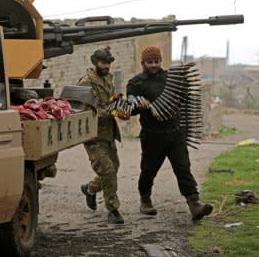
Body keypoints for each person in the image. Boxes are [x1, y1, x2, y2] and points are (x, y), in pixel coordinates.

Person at [126, 45, 213, 221]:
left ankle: (194, 204)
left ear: (161, 61)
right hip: (152, 136)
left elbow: (186, 100)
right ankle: (145, 200)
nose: (153, 65)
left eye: (156, 61)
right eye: (149, 62)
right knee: (148, 171)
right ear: (143, 63)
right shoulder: (136, 83)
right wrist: (137, 106)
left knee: (183, 168)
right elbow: (129, 109)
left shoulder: (172, 78)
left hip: (175, 133)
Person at [77, 46, 128, 224]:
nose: (106, 66)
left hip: (108, 134)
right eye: (102, 63)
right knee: (107, 170)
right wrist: (111, 111)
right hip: (92, 136)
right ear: (94, 62)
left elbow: (111, 102)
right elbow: (84, 111)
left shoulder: (108, 79)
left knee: (114, 167)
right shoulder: (86, 83)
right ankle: (113, 209)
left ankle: (90, 189)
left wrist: (121, 106)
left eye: (108, 63)